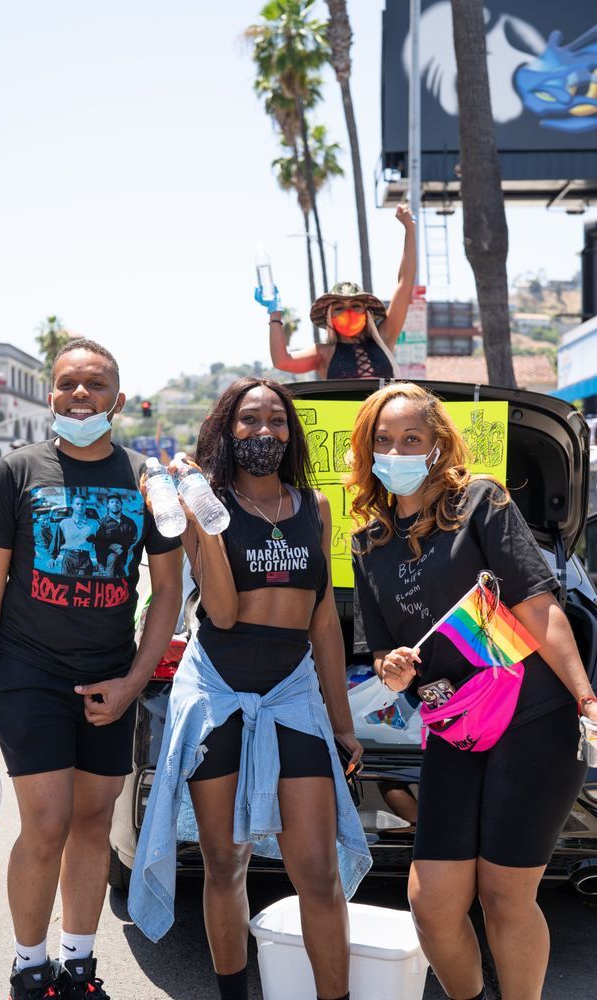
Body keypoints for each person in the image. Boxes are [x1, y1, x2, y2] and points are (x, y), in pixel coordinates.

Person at [347, 382, 597, 1000]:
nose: (396, 449)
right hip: (453, 726)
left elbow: (540, 608)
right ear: (367, 450)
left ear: (437, 445)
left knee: (505, 896)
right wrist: (393, 669)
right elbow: (381, 650)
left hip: (533, 717)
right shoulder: (367, 542)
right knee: (431, 904)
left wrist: (588, 700)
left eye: (411, 438)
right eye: (383, 439)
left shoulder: (479, 502)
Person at [0, 339, 182, 1000]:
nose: (81, 396)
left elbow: (165, 591)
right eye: (68, 384)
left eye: (95, 384)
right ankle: (30, 968)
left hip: (110, 676)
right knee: (48, 822)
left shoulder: (144, 478)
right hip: (30, 673)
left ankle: (78, 966)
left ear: (117, 395)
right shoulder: (17, 472)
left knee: (91, 823)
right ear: (51, 394)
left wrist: (133, 681)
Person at [129, 377, 371, 1000]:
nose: (264, 432)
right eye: (249, 421)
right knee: (225, 863)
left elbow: (323, 622)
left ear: (291, 435)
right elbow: (225, 615)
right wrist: (206, 525)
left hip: (291, 695)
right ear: (226, 431)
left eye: (277, 422)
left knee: (317, 874)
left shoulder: (313, 507)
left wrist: (341, 723)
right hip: (219, 692)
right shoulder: (200, 504)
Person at [258, 204, 416, 380]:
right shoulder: (323, 353)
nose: (348, 312)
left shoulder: (385, 338)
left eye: (356, 305)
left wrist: (409, 228)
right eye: (339, 308)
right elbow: (282, 361)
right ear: (329, 317)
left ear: (367, 313)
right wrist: (275, 314)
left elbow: (405, 283)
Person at [49, 493, 98, 576]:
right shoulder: (64, 523)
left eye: (83, 504)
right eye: (77, 504)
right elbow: (56, 541)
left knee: (83, 586)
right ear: (73, 506)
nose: (80, 506)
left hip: (85, 559)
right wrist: (52, 558)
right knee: (67, 585)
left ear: (85, 506)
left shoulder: (94, 524)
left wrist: (100, 561)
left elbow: (100, 544)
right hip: (68, 559)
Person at [95, 493, 138, 577]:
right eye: (112, 502)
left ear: (121, 505)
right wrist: (100, 566)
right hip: (107, 565)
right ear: (107, 505)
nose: (115, 504)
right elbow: (97, 545)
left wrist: (125, 547)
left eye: (117, 502)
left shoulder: (129, 523)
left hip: (124, 564)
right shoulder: (101, 523)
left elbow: (134, 540)